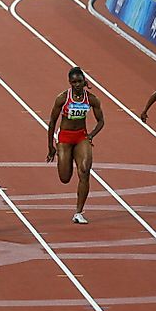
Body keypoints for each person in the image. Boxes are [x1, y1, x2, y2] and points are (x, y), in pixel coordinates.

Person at [46, 67, 104, 225]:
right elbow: (52, 122)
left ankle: (79, 212)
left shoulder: (91, 99)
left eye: (80, 81)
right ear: (70, 83)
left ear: (84, 81)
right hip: (64, 137)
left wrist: (91, 135)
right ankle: (66, 156)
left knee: (85, 171)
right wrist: (50, 146)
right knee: (65, 178)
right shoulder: (62, 98)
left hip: (81, 137)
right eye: (74, 82)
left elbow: (101, 121)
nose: (77, 84)